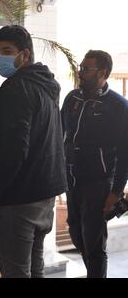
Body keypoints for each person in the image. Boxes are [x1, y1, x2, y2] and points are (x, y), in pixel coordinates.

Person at [0, 25, 68, 278]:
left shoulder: (17, 88)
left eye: (7, 51)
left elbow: (15, 150)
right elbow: (22, 109)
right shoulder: (44, 84)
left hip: (18, 200)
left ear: (24, 55)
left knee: (15, 271)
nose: (1, 57)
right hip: (43, 194)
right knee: (34, 269)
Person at [61, 50, 128, 278]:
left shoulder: (118, 105)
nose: (80, 72)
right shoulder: (72, 99)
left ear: (103, 73)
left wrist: (116, 192)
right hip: (71, 179)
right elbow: (60, 134)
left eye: (86, 69)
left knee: (94, 241)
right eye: (81, 67)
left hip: (99, 183)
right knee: (75, 231)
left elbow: (125, 152)